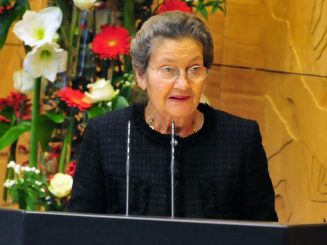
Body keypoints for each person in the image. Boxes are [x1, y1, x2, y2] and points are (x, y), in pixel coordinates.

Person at [69, 11, 278, 221]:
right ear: (141, 76)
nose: (183, 84)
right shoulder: (105, 135)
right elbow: (78, 231)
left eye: (194, 69)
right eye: (168, 69)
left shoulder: (240, 138)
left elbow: (264, 234)